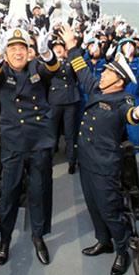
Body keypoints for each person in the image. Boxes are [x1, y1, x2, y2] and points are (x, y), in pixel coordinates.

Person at [61, 24, 139, 275]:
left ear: (119, 81)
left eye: (107, 73)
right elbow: (82, 69)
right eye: (104, 71)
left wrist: (137, 113)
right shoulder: (97, 89)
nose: (102, 74)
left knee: (110, 209)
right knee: (93, 205)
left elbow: (129, 113)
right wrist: (72, 45)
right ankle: (103, 241)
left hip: (105, 164)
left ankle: (121, 250)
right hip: (87, 160)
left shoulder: (123, 99)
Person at [0, 27, 59, 265]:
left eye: (22, 48)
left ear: (29, 52)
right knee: (10, 191)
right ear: (6, 54)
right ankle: (5, 238)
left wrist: (47, 52)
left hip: (39, 140)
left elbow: (54, 70)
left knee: (40, 191)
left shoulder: (37, 68)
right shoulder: (1, 72)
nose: (18, 52)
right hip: (14, 140)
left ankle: (38, 236)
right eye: (12, 48)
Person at [47, 37, 81, 174]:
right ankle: (48, 160)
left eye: (61, 47)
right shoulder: (49, 64)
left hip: (70, 100)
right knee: (51, 132)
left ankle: (72, 161)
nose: (59, 49)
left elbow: (78, 69)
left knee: (70, 133)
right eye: (56, 48)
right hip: (55, 101)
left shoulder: (70, 62)